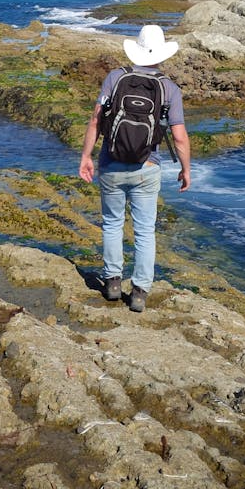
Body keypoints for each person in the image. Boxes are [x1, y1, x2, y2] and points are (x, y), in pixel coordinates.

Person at [78, 24, 191, 312]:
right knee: (144, 231)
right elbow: (179, 135)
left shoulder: (115, 78)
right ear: (162, 53)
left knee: (113, 224)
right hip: (148, 166)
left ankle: (113, 283)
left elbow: (95, 120)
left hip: (111, 163)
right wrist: (186, 169)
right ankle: (139, 292)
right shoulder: (168, 88)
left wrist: (86, 157)